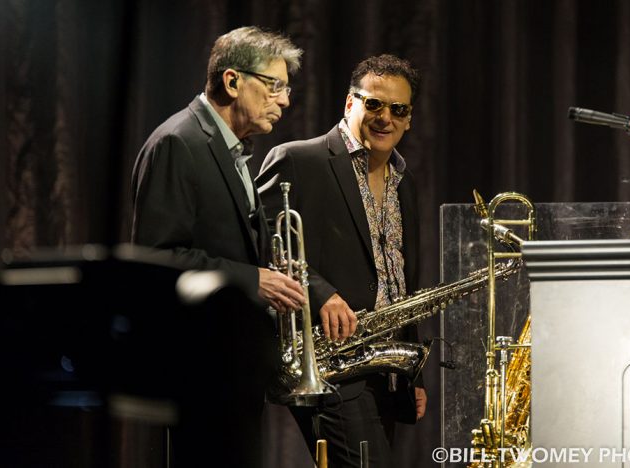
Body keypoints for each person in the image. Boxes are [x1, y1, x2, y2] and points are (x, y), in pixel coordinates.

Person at [130, 26, 304, 466]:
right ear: (232, 81)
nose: (285, 100)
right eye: (275, 86)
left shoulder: (234, 150)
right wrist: (252, 279)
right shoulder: (177, 142)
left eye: (286, 88)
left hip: (234, 365)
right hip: (199, 368)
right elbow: (156, 259)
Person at [257, 54, 427, 467]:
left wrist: (413, 373)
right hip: (331, 364)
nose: (385, 118)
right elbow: (261, 246)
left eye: (398, 110)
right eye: (374, 104)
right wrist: (321, 294)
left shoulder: (405, 182)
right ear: (350, 103)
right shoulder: (297, 159)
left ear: (408, 120)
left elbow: (400, 280)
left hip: (386, 373)